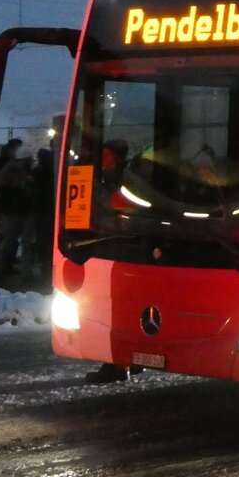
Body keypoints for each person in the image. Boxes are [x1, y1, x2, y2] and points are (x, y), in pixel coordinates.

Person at [85, 138, 142, 385]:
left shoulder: (119, 178)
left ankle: (117, 363)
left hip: (115, 242)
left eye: (106, 154)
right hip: (121, 240)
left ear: (114, 156)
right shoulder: (122, 175)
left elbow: (113, 204)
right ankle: (133, 358)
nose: (102, 158)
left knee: (115, 308)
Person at [0, 143, 36, 285]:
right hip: (23, 211)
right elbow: (24, 191)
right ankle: (26, 273)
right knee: (27, 243)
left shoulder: (6, 170)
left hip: (10, 212)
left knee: (8, 241)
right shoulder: (25, 172)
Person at [32, 147, 56, 288]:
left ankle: (44, 272)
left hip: (40, 212)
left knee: (43, 244)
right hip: (49, 212)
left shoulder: (36, 173)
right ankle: (47, 274)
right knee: (49, 245)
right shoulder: (53, 173)